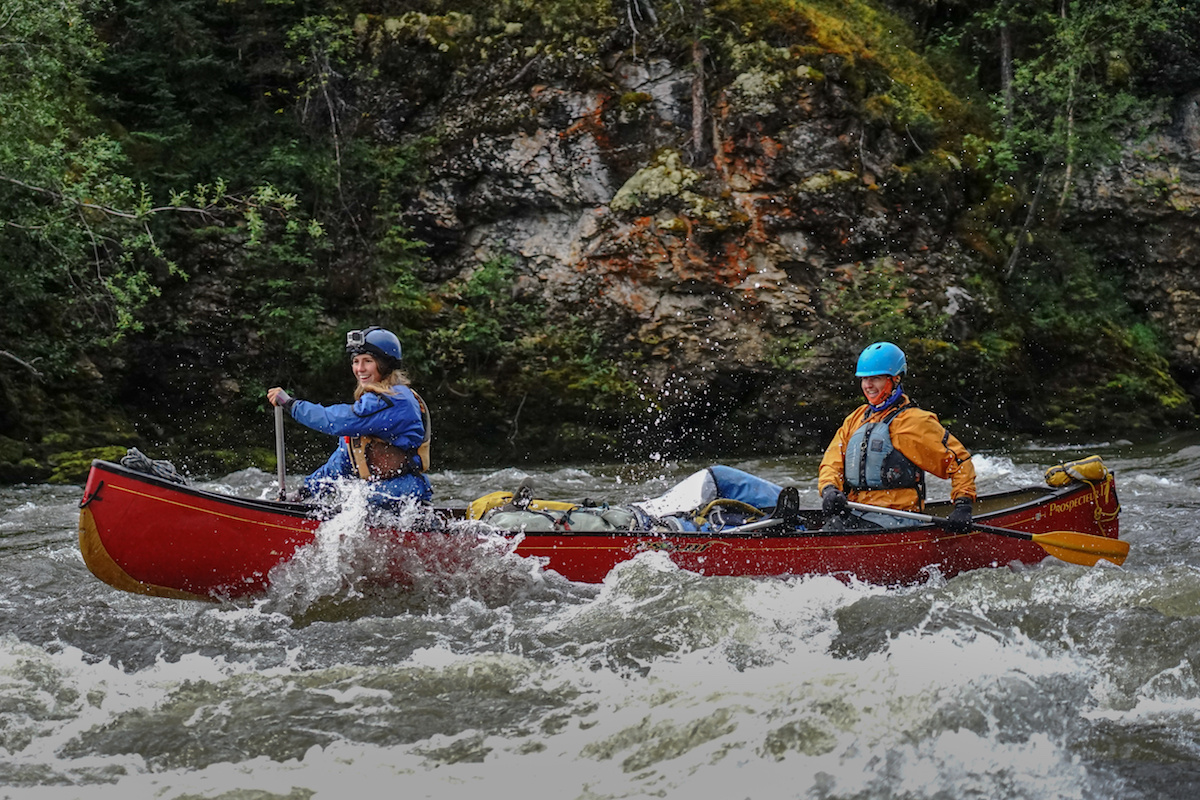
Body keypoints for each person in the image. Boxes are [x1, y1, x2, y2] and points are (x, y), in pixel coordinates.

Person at [268, 326, 433, 507]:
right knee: (351, 502)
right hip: (379, 496)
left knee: (353, 504)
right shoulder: (370, 406)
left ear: (385, 365)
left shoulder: (396, 400)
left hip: (405, 496)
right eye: (356, 361)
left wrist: (291, 405)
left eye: (367, 361)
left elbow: (336, 421)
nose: (359, 368)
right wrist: (303, 493)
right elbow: (343, 462)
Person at [818, 342, 975, 531]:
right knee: (823, 525)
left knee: (834, 532)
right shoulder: (856, 419)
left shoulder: (915, 422)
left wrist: (963, 505)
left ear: (896, 379)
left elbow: (959, 463)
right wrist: (829, 489)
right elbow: (832, 461)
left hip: (897, 517)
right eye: (864, 379)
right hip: (856, 511)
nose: (868, 385)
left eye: (875, 378)